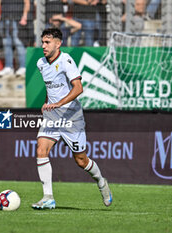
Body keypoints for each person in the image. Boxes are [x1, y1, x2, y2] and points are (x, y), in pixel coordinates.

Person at [32, 28, 112, 210]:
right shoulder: (40, 63)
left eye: (47, 42)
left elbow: (78, 89)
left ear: (58, 44)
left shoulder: (66, 61)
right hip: (52, 116)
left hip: (71, 116)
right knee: (41, 149)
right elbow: (51, 88)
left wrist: (59, 103)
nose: (43, 46)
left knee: (81, 160)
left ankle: (101, 181)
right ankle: (48, 197)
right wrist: (47, 103)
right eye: (42, 42)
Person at [0, 0, 30, 77]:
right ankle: (8, 67)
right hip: (4, 19)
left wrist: (25, 15)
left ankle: (23, 66)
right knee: (6, 43)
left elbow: (27, 3)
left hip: (17, 19)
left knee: (18, 42)